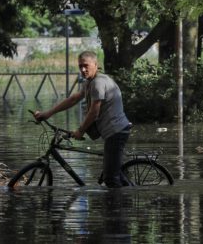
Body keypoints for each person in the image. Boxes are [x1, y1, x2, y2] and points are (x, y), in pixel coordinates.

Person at [34, 50, 131, 188]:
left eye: (86, 65)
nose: (83, 69)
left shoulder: (98, 83)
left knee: (110, 179)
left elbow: (94, 112)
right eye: (80, 66)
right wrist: (48, 113)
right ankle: (126, 195)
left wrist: (80, 130)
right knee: (113, 172)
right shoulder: (90, 82)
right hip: (113, 132)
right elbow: (73, 99)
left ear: (96, 64)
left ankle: (121, 207)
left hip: (116, 132)